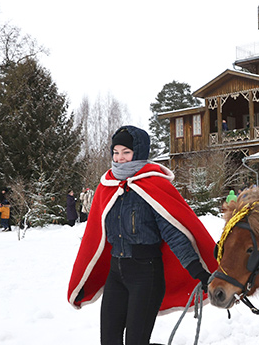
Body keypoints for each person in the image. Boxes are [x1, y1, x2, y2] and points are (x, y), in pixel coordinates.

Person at [67, 125, 218, 345]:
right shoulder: (106, 186)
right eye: (116, 152)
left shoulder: (153, 186)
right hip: (115, 274)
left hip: (146, 275)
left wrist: (200, 272)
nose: (119, 158)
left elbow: (174, 235)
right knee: (109, 340)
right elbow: (96, 235)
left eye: (126, 152)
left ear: (138, 152)